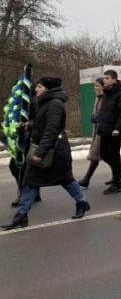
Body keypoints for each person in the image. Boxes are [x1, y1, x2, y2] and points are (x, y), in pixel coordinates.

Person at [2, 77, 90, 230]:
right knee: (30, 182)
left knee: (66, 180)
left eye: (40, 87)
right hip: (46, 149)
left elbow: (52, 130)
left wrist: (40, 152)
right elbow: (42, 123)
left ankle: (82, 202)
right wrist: (30, 125)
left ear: (48, 89)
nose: (36, 89)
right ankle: (21, 216)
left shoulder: (55, 104)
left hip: (54, 151)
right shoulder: (46, 102)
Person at [98, 70, 121, 194]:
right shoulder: (107, 93)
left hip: (114, 131)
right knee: (104, 154)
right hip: (105, 129)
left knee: (113, 156)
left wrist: (118, 128)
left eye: (107, 78)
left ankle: (117, 182)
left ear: (114, 79)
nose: (104, 80)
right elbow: (106, 111)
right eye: (104, 78)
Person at [79, 77, 107, 188]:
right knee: (107, 156)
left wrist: (99, 117)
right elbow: (95, 112)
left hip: (104, 131)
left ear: (103, 87)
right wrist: (93, 116)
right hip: (97, 130)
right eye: (94, 86)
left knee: (96, 155)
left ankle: (86, 179)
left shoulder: (106, 98)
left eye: (97, 86)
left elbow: (108, 113)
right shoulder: (98, 98)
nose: (95, 88)